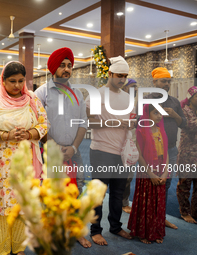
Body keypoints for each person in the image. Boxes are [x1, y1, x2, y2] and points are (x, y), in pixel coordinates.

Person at [0, 61, 48, 255]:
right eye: (12, 81)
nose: (17, 86)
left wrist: (28, 134)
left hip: (26, 162)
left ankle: (18, 248)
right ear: (3, 81)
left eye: (21, 81)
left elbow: (44, 124)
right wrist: (6, 135)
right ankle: (2, 249)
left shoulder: (32, 99)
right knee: (1, 207)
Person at [34, 47, 90, 248]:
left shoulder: (77, 94)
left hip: (73, 152)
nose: (66, 69)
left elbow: (83, 123)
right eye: (62, 65)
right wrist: (53, 146)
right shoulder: (41, 93)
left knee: (77, 189)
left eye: (69, 66)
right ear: (53, 68)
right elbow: (36, 123)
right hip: (50, 151)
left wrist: (74, 148)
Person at [86, 56, 134, 246]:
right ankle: (95, 230)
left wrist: (131, 123)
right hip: (101, 150)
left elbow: (130, 119)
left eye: (125, 76)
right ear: (110, 74)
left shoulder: (127, 97)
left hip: (122, 152)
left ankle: (115, 226)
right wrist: (114, 122)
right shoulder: (97, 94)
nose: (122, 79)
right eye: (119, 75)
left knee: (118, 192)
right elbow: (89, 122)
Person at [146, 67, 186, 229]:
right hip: (151, 151)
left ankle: (160, 218)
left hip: (170, 150)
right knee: (150, 186)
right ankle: (148, 220)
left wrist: (175, 115)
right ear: (154, 82)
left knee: (166, 184)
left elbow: (183, 123)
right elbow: (139, 125)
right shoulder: (146, 100)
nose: (166, 84)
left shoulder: (175, 102)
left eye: (168, 81)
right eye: (163, 81)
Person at [128, 104, 169, 244]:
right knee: (147, 202)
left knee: (159, 201)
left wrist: (165, 171)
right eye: (155, 112)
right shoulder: (141, 132)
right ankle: (143, 232)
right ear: (147, 114)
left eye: (160, 113)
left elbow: (166, 152)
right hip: (147, 171)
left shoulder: (161, 130)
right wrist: (150, 173)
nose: (159, 116)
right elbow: (139, 155)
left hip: (161, 169)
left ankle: (157, 231)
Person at [176, 86, 197, 224]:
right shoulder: (185, 111)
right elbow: (191, 126)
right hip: (187, 155)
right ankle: (185, 212)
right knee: (185, 185)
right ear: (190, 99)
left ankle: (195, 212)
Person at [121, 78, 138, 214]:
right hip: (118, 144)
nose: (136, 90)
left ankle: (124, 202)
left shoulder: (135, 102)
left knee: (128, 175)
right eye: (133, 87)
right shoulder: (119, 102)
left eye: (136, 87)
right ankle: (122, 203)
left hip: (132, 144)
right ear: (125, 88)